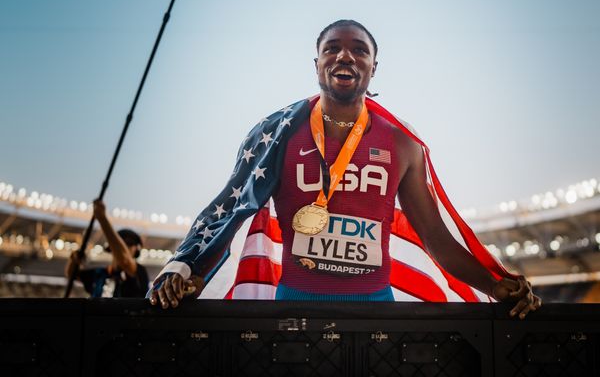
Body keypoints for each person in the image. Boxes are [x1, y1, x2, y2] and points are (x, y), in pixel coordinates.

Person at [148, 20, 541, 318]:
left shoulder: (402, 143)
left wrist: (496, 284)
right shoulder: (278, 133)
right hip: (293, 307)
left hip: (375, 308)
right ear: (316, 64)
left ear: (373, 67)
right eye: (332, 48)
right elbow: (231, 210)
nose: (345, 56)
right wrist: (187, 267)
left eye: (359, 50)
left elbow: (435, 238)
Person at [65, 199, 149, 297]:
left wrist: (102, 219)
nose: (125, 247)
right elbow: (71, 274)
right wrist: (73, 259)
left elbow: (125, 261)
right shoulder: (99, 273)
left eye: (129, 244)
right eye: (121, 244)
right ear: (112, 248)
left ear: (137, 250)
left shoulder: (140, 272)